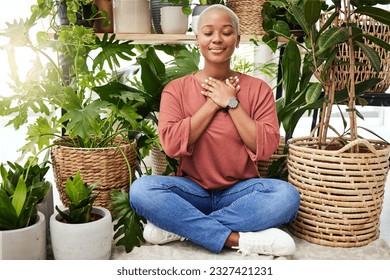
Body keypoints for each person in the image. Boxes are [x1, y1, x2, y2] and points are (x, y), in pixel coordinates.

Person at [130, 4, 300, 256]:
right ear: (197, 39)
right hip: (192, 190)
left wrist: (232, 103)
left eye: (226, 32)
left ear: (238, 39)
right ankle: (236, 239)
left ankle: (180, 227)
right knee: (141, 190)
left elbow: (265, 147)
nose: (217, 39)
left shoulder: (257, 89)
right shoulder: (176, 90)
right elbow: (172, 145)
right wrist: (212, 103)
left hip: (240, 192)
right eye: (208, 32)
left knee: (286, 196)